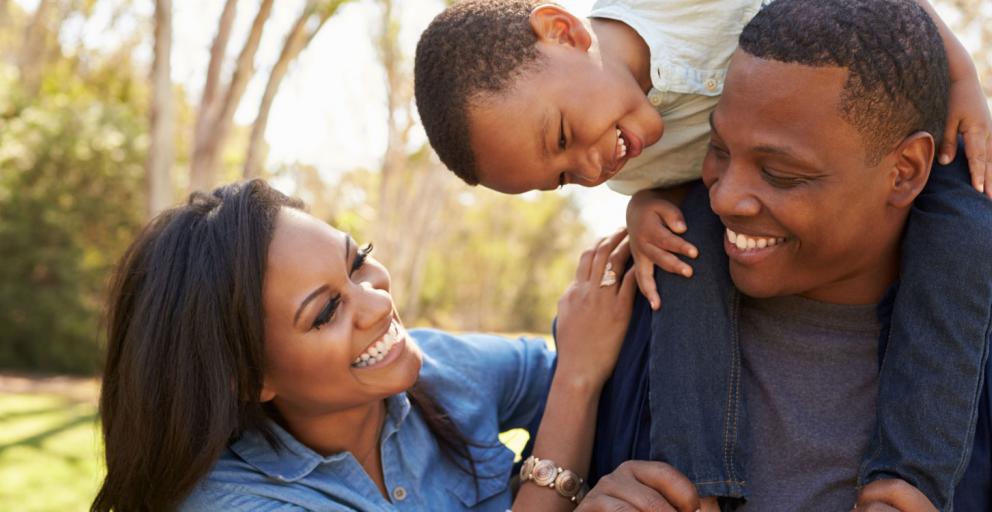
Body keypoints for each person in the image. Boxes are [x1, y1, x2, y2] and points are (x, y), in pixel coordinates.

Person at [413, 0, 992, 506]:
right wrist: (643, 208)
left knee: (969, 224)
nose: (590, 171)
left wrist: (961, 78)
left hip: (931, 127)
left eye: (781, 172)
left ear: (563, 31)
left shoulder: (669, 9)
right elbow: (676, 187)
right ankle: (696, 482)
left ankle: (912, 482)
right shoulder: (632, 325)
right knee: (686, 249)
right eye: (563, 176)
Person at [89, 179, 639, 511]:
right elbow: (579, 372)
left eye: (357, 261)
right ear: (250, 378)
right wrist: (576, 386)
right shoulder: (230, 502)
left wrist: (657, 205)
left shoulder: (442, 370)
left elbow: (614, 366)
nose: (377, 303)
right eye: (327, 311)